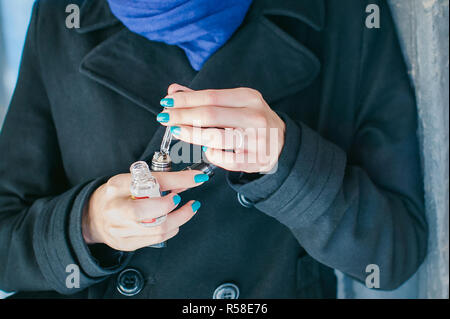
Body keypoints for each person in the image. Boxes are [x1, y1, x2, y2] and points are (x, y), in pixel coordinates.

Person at [0, 0, 427, 298]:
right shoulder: (62, 16)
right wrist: (87, 225)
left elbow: (392, 255)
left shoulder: (345, 14)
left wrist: (285, 163)